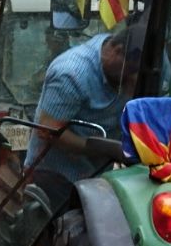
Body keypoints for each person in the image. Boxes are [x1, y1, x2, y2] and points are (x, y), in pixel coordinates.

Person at [28, 27, 141, 186]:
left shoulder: (141, 58)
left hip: (99, 175)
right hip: (57, 177)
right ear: (117, 51)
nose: (133, 78)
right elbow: (47, 130)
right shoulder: (72, 73)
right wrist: (102, 149)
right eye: (131, 72)